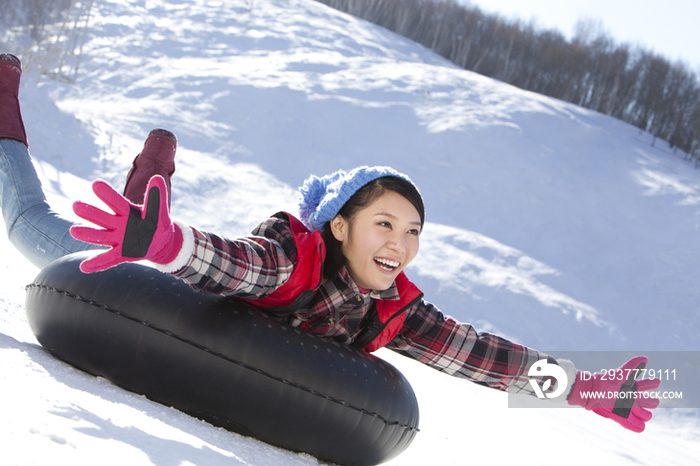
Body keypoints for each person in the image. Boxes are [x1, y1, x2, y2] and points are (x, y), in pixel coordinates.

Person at [1, 53, 661, 433]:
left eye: (412, 232)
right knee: (29, 220)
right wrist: (169, 244)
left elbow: (481, 355)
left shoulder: (392, 306)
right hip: (146, 278)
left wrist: (589, 387)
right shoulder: (296, 255)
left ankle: (146, 199)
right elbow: (240, 267)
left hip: (162, 249)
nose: (399, 244)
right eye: (384, 224)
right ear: (338, 225)